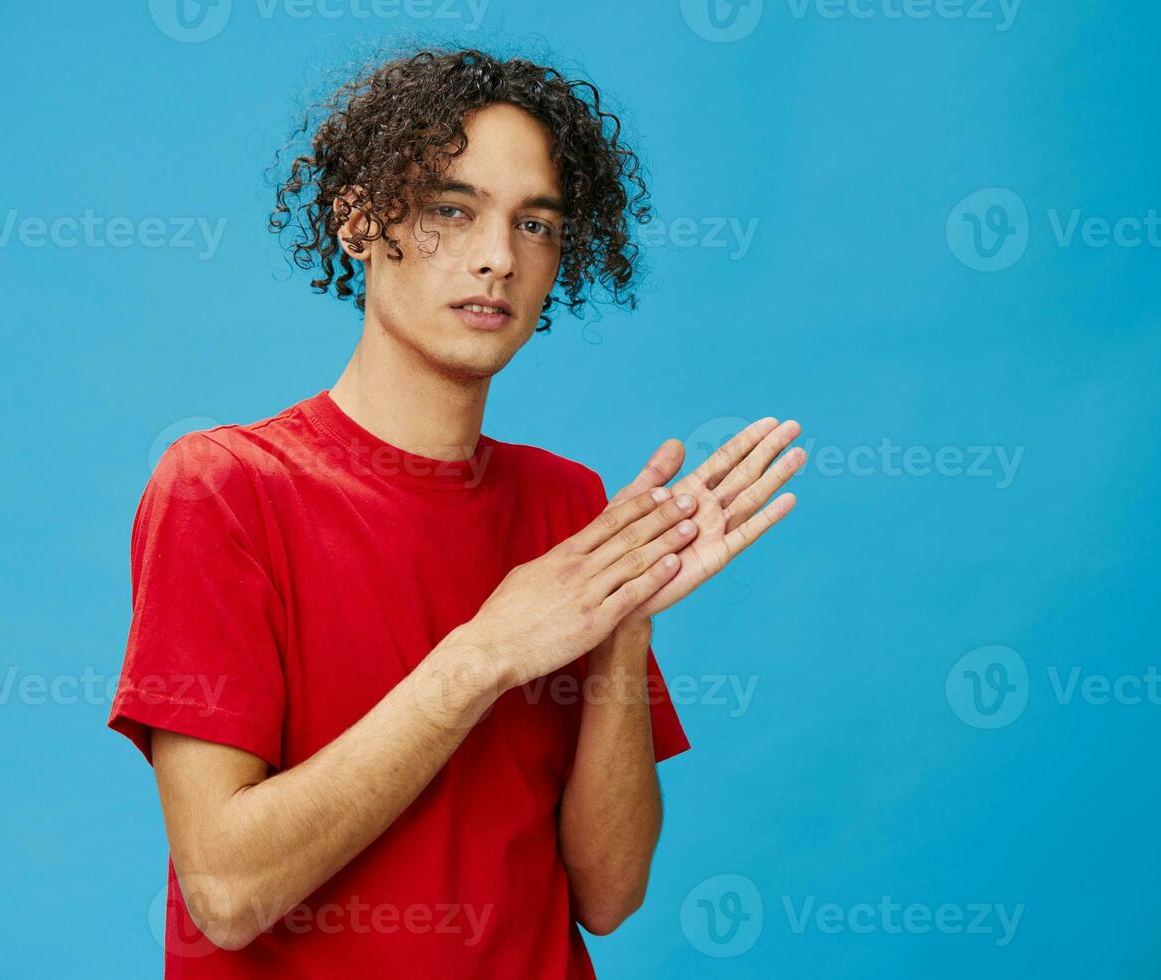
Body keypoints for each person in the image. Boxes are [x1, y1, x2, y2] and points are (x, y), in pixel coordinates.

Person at [107, 46, 806, 979]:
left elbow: (609, 893)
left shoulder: (571, 505)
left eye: (536, 225)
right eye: (452, 209)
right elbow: (229, 893)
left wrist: (622, 622)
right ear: (358, 221)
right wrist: (486, 652)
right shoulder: (225, 488)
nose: (497, 258)